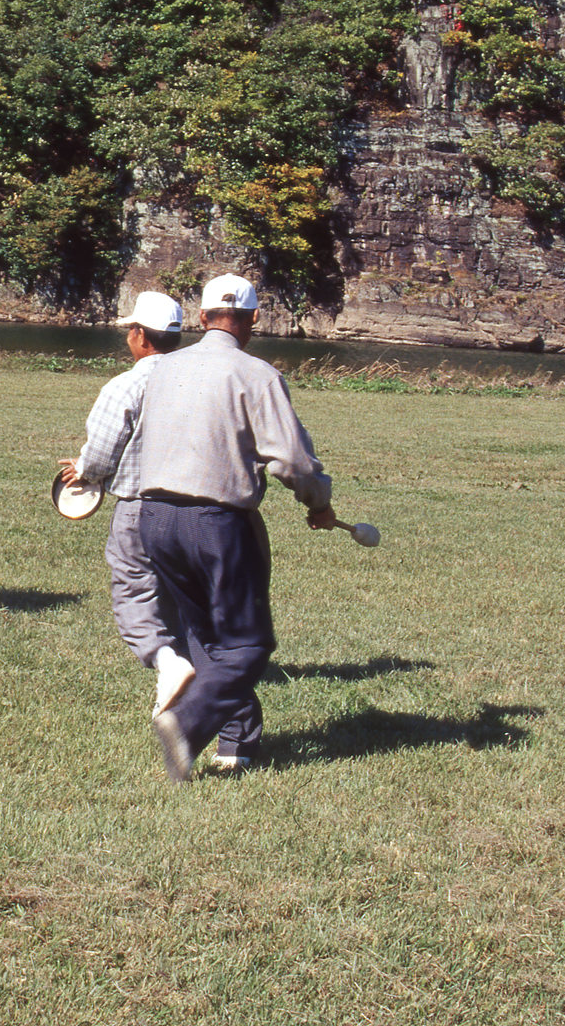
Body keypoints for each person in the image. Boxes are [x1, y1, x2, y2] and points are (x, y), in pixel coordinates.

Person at [135, 273, 337, 781]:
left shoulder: (159, 369)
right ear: (252, 320)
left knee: (206, 634)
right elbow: (292, 461)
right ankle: (185, 724)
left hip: (154, 518)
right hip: (217, 522)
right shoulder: (257, 374)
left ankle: (236, 742)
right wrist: (318, 503)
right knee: (248, 646)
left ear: (201, 318)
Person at [57, 290, 197, 717]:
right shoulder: (198, 376)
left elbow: (102, 448)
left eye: (130, 331)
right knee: (185, 592)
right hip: (196, 509)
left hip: (140, 505)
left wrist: (85, 470)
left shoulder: (127, 384)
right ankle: (195, 664)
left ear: (139, 336)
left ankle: (165, 661)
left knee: (134, 587)